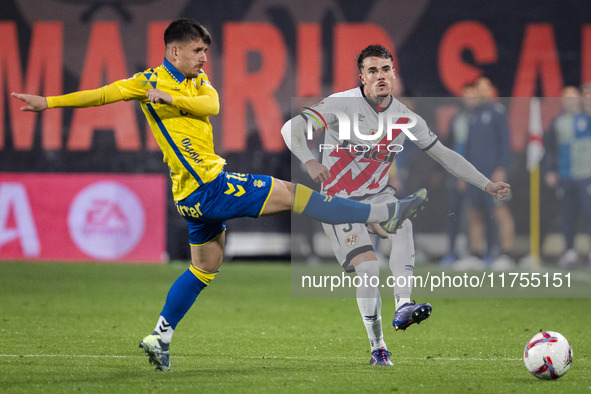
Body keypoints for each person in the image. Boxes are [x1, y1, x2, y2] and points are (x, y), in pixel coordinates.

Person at [11, 19, 428, 372]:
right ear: (173, 52)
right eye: (196, 52)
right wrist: (48, 102)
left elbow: (212, 105)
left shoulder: (195, 81)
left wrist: (172, 97)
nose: (203, 59)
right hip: (209, 185)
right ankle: (382, 213)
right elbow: (101, 94)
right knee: (293, 193)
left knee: (204, 267)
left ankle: (160, 337)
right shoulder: (144, 83)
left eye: (205, 52)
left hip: (190, 196)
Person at [281, 44, 511, 366]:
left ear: (394, 73)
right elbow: (290, 128)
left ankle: (403, 304)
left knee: (403, 221)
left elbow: (444, 155)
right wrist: (308, 160)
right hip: (339, 202)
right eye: (372, 71)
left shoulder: (405, 117)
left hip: (379, 196)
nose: (380, 76)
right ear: (361, 77)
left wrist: (486, 184)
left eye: (386, 69)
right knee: (370, 270)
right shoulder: (340, 104)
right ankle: (378, 346)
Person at [454, 77, 516, 270]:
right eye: (477, 89)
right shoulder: (471, 116)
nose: (481, 92)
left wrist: (501, 168)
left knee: (500, 211)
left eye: (484, 88)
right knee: (475, 212)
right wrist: (464, 174)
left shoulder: (498, 113)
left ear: (491, 90)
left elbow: (505, 144)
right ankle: (476, 255)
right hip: (475, 175)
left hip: (494, 174)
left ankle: (507, 254)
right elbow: (469, 149)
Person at [543, 85, 591, 268]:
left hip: (586, 175)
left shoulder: (587, 118)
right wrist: (550, 170)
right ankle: (570, 251)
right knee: (567, 216)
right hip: (565, 175)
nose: (569, 100)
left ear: (579, 98)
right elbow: (550, 149)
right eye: (566, 97)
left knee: (589, 214)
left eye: (573, 96)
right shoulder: (558, 121)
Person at [439, 81, 480, 265]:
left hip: (473, 174)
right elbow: (449, 145)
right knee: (453, 214)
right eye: (466, 94)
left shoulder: (482, 118)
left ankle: (474, 252)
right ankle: (451, 252)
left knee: (473, 214)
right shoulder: (458, 118)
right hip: (454, 175)